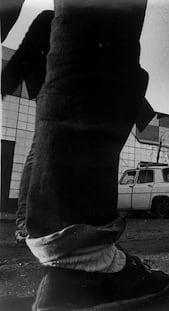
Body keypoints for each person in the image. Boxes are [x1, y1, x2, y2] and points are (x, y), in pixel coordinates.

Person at [2, 0, 169, 310]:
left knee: (39, 154)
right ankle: (82, 263)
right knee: (104, 27)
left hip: (57, 103)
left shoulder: (49, 22)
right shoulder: (47, 23)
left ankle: (55, 242)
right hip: (67, 99)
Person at [1, 10, 54, 243]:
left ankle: (35, 220)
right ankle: (25, 222)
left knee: (48, 153)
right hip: (50, 87)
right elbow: (24, 52)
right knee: (39, 151)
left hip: (66, 90)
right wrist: (4, 85)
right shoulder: (53, 18)